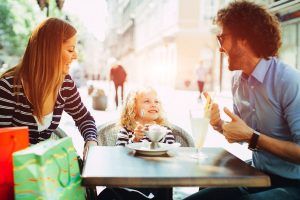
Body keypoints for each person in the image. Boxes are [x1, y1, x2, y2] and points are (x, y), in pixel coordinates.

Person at [185, 1, 300, 200]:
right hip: (257, 176)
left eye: (222, 38)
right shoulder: (238, 81)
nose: (220, 48)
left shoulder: (287, 80)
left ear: (244, 39)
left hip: (293, 184)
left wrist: (254, 137)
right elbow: (241, 134)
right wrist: (219, 124)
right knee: (202, 194)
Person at [0, 18, 97, 159]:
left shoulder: (65, 84)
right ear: (50, 51)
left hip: (47, 171)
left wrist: (91, 141)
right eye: (70, 50)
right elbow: (2, 144)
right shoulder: (9, 87)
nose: (75, 56)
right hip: (16, 173)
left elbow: (84, 119)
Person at [98, 87, 175, 200]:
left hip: (156, 183)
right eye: (147, 101)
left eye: (156, 101)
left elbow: (172, 153)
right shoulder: (127, 131)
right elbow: (119, 155)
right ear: (134, 107)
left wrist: (158, 136)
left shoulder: (165, 131)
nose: (153, 104)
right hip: (130, 181)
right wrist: (134, 140)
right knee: (108, 194)